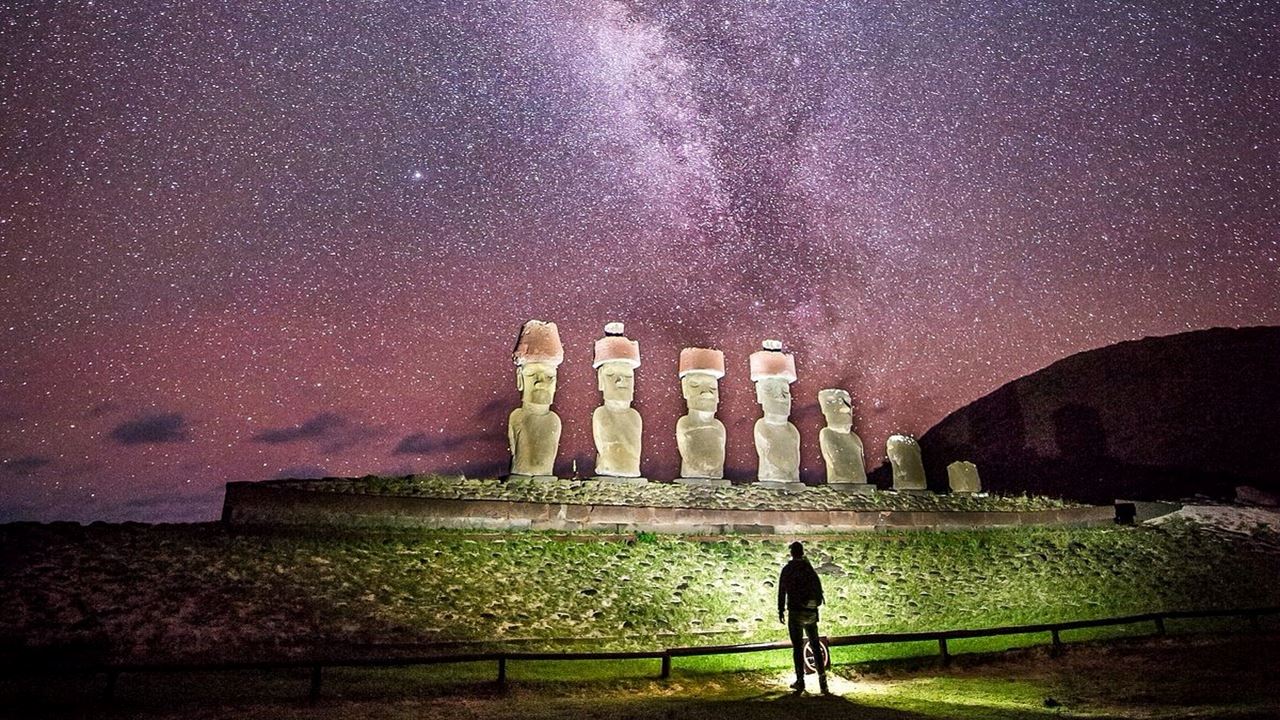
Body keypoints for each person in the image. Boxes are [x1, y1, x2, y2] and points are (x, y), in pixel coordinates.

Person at [777, 541, 829, 695]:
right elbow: (818, 589)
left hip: (795, 612)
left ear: (792, 553)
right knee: (815, 645)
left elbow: (782, 591)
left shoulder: (788, 569)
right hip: (811, 612)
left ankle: (800, 681)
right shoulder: (809, 568)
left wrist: (780, 610)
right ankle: (823, 681)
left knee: (798, 647)